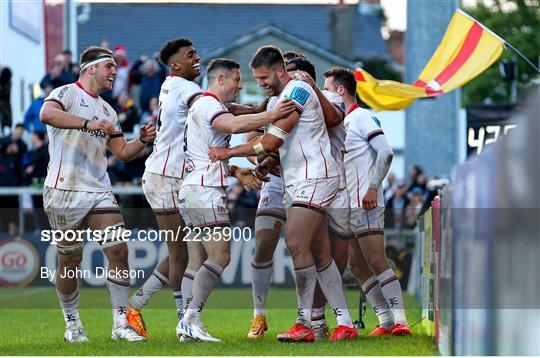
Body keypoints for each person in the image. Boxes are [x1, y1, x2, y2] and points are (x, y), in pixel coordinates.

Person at [209, 46, 357, 342]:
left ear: (280, 70)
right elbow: (279, 143)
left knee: (294, 239)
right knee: (319, 251)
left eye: (263, 77)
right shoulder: (278, 98)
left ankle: (304, 322)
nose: (260, 82)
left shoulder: (299, 89)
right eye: (256, 78)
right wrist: (263, 162)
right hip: (297, 180)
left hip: (316, 176)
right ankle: (345, 323)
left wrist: (229, 152)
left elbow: (275, 139)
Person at [39, 46, 156, 342]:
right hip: (64, 189)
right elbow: (46, 114)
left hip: (99, 189)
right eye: (110, 67)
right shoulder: (66, 93)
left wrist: (141, 140)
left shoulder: (108, 110)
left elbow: (122, 151)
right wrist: (87, 123)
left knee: (118, 250)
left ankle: (120, 325)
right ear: (91, 68)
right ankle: (73, 325)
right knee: (70, 261)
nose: (116, 72)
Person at [176, 58, 295, 342]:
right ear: (220, 80)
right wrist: (271, 115)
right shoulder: (209, 106)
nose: (239, 86)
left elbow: (238, 115)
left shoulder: (201, 106)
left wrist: (262, 110)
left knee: (196, 262)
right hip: (204, 191)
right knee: (221, 256)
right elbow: (232, 124)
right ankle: (191, 319)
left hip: (191, 190)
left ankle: (187, 327)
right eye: (236, 80)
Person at [323, 66, 411, 336]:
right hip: (348, 206)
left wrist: (373, 187)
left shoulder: (361, 117)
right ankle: (385, 320)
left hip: (366, 201)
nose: (324, 95)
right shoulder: (341, 123)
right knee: (357, 266)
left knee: (376, 260)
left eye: (326, 89)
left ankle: (401, 322)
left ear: (341, 90)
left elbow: (385, 152)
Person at [126, 37, 204, 338]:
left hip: (168, 175)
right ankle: (184, 323)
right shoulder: (187, 89)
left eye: (195, 52)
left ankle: (137, 304)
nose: (196, 57)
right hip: (166, 177)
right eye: (190, 54)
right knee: (182, 254)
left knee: (184, 251)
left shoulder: (171, 83)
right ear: (175, 64)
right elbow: (214, 111)